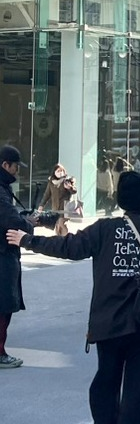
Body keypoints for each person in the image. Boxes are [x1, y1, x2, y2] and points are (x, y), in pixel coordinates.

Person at [6, 171, 140, 423]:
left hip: (110, 321)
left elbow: (67, 247)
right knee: (139, 392)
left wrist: (28, 240)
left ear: (119, 199)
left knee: (106, 381)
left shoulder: (104, 229)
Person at [0, 145, 47, 369]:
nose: (17, 172)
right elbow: (7, 217)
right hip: (3, 252)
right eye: (15, 167)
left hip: (6, 251)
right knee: (4, 304)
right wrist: (27, 224)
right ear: (5, 165)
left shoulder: (3, 188)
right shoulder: (0, 190)